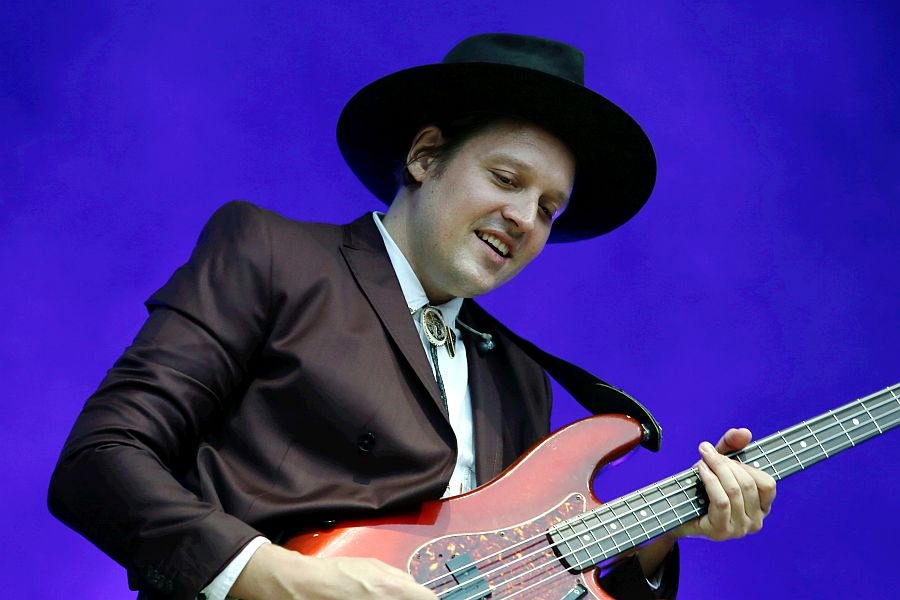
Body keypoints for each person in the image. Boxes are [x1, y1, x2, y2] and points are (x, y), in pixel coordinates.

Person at [48, 33, 776, 600]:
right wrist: (281, 579)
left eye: (549, 208)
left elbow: (528, 586)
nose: (525, 218)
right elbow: (100, 462)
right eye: (506, 178)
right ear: (425, 157)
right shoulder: (272, 253)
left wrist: (658, 542)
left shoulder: (519, 380)